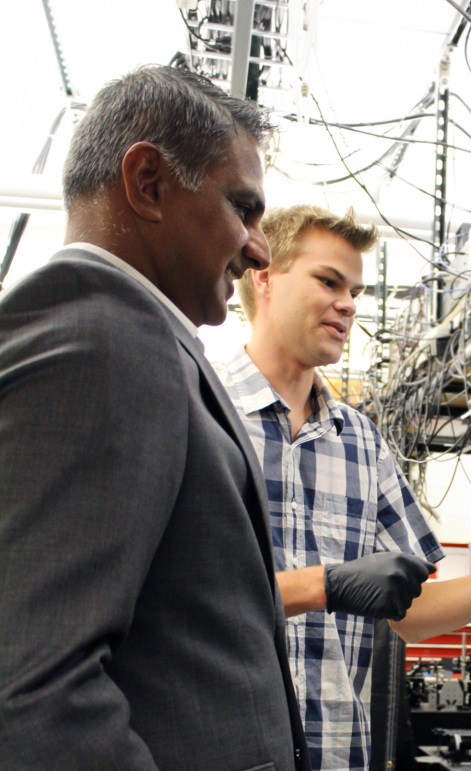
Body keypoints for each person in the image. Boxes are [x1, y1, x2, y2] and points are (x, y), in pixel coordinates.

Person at [215, 204, 471, 771]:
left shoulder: (360, 443)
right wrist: (323, 586)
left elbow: (410, 612)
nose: (349, 304)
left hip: (339, 755)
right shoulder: (197, 412)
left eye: (355, 289)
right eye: (328, 280)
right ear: (261, 276)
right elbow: (173, 602)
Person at [0, 67, 314, 771]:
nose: (259, 247)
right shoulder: (99, 337)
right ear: (147, 183)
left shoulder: (136, 341)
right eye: (244, 208)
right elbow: (31, 694)